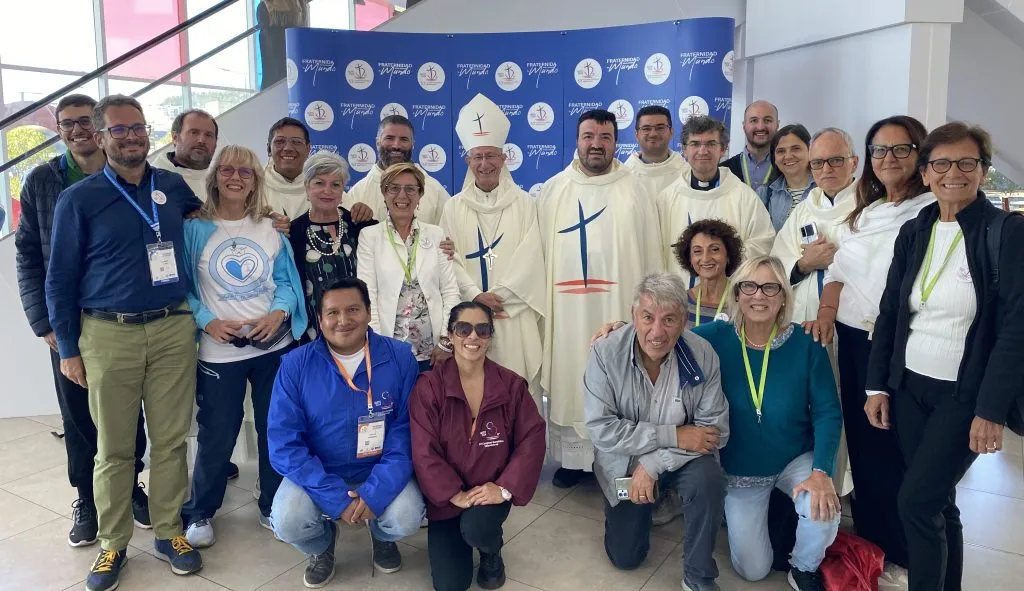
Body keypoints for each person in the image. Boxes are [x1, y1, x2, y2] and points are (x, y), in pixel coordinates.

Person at [45, 95, 203, 590]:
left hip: (173, 328)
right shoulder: (80, 199)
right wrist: (68, 347)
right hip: (107, 334)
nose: (131, 136)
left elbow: (215, 224)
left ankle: (170, 531)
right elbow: (59, 278)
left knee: (171, 441)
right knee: (113, 448)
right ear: (99, 136)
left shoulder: (172, 187)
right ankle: (113, 543)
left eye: (138, 127)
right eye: (119, 129)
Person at [865, 122, 1024, 591]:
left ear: (983, 170)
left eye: (966, 162)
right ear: (925, 172)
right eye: (941, 163)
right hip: (910, 388)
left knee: (915, 503)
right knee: (938, 502)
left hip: (964, 394)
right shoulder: (915, 230)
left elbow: (1017, 328)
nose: (953, 172)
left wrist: (991, 410)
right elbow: (891, 311)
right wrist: (877, 385)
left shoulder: (1006, 233)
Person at [15, 93, 151, 549]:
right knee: (77, 415)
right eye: (67, 123)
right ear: (59, 130)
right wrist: (45, 324)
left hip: (122, 318)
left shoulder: (130, 175)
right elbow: (28, 256)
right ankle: (87, 500)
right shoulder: (43, 181)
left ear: (100, 127)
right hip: (70, 323)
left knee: (128, 411)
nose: (77, 130)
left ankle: (130, 486)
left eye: (83, 122)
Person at [806, 116, 932, 584]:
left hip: (898, 345)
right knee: (864, 449)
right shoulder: (867, 212)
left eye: (901, 149)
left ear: (920, 154)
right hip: (854, 343)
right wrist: (825, 311)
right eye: (880, 150)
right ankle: (876, 544)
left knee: (897, 450)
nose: (889, 159)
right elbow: (838, 272)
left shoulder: (930, 210)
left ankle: (906, 551)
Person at [179, 145, 308, 547]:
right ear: (214, 177)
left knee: (275, 429)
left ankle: (271, 505)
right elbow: (184, 287)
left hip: (273, 348)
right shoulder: (194, 228)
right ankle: (200, 511)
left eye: (245, 172)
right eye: (228, 170)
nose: (236, 178)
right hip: (220, 351)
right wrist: (208, 321)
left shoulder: (269, 226)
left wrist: (279, 313)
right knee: (217, 432)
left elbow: (286, 282)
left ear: (256, 181)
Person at [692, 256, 842, 591]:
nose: (759, 295)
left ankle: (803, 567)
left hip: (794, 458)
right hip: (740, 469)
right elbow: (664, 335)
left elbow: (828, 411)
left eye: (770, 287)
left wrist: (821, 471)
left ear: (784, 297)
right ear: (737, 294)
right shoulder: (713, 337)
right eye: (749, 286)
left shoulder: (806, 343)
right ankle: (732, 513)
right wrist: (621, 327)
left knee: (824, 509)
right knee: (753, 570)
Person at [268, 277, 426, 588]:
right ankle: (322, 544)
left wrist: (376, 492)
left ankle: (382, 537)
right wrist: (335, 498)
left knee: (407, 516)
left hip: (379, 468)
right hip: (321, 473)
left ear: (368, 312)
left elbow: (407, 432)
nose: (343, 320)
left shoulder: (399, 357)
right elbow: (284, 443)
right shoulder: (296, 365)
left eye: (353, 309)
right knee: (288, 522)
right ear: (320, 319)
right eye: (333, 312)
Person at [539, 109, 664, 488]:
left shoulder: (635, 190)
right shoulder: (554, 190)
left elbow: (651, 253)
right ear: (577, 140)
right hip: (568, 308)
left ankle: (616, 459)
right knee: (572, 375)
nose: (596, 144)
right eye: (589, 136)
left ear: (615, 142)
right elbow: (537, 255)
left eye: (605, 137)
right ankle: (574, 462)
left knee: (619, 379)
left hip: (619, 306)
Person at [584, 273, 728, 591]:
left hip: (682, 458)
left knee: (708, 479)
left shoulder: (702, 353)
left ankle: (698, 574)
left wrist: (654, 463)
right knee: (626, 557)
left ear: (685, 321)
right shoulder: (605, 353)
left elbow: (714, 430)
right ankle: (654, 501)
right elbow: (601, 430)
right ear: (634, 316)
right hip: (626, 460)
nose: (657, 332)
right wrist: (672, 436)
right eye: (648, 317)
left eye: (669, 319)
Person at [410, 302, 546, 591]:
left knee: (477, 528)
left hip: (489, 492)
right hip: (447, 499)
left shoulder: (511, 385)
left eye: (482, 330)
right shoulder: (429, 387)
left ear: (490, 337)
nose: (473, 337)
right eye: (463, 329)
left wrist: (504, 488)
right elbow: (423, 449)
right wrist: (453, 494)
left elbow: (532, 438)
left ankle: (490, 551)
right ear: (450, 335)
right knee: (450, 585)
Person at [441, 93, 545, 395]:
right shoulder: (453, 207)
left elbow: (532, 257)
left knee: (516, 390)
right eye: (477, 157)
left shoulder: (525, 203)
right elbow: (447, 260)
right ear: (468, 161)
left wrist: (498, 297)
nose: (484, 164)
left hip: (512, 314)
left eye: (491, 156)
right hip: (470, 317)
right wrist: (475, 296)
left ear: (503, 158)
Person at [357, 162, 461, 373]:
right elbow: (368, 295)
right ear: (384, 193)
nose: (402, 195)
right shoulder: (369, 236)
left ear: (420, 195)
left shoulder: (436, 235)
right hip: (389, 350)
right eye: (394, 188)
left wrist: (446, 341)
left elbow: (450, 291)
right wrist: (379, 346)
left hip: (434, 353)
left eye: (410, 189)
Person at [658, 115, 775, 286]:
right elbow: (657, 251)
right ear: (684, 149)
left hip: (729, 292)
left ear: (723, 149)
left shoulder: (744, 196)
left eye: (711, 144)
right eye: (695, 144)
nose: (703, 151)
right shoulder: (667, 198)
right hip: (679, 293)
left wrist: (726, 260)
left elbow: (763, 241)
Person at [771, 127, 859, 323]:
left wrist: (837, 259)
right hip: (802, 317)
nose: (826, 169)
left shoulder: (868, 208)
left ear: (854, 163)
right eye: (818, 163)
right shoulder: (803, 210)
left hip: (852, 320)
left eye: (835, 160)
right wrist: (803, 265)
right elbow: (777, 262)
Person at [290, 151, 379, 342]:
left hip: (361, 329)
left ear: (343, 189)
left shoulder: (361, 225)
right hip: (314, 332)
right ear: (307, 187)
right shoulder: (293, 232)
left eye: (335, 184)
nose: (327, 191)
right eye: (319, 183)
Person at [343, 115, 452, 225]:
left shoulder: (434, 190)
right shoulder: (358, 193)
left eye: (404, 139)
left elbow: (449, 231)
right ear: (378, 142)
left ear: (413, 144)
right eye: (389, 138)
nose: (396, 145)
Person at [673, 219, 744, 327]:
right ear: (690, 259)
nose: (705, 258)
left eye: (714, 249)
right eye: (697, 251)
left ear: (728, 254)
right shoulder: (680, 302)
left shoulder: (743, 301)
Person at [150, 109, 218, 202]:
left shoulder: (222, 181)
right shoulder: (153, 179)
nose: (201, 140)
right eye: (194, 132)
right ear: (175, 138)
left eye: (209, 135)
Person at [623, 105, 691, 197]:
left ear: (671, 132)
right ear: (636, 135)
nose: (653, 134)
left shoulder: (687, 172)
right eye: (646, 128)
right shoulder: (624, 174)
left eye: (660, 128)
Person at [758, 124, 816, 231]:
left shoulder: (826, 189)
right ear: (774, 158)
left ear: (810, 151)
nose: (788, 156)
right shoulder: (764, 194)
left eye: (796, 149)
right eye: (781, 151)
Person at [723, 100, 780, 193]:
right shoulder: (724, 170)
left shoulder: (786, 168)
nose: (760, 127)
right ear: (744, 125)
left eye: (767, 120)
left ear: (777, 124)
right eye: (754, 120)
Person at [264, 117, 313, 217]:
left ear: (308, 149)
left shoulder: (324, 186)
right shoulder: (253, 185)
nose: (288, 148)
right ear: (269, 149)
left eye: (296, 142)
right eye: (280, 141)